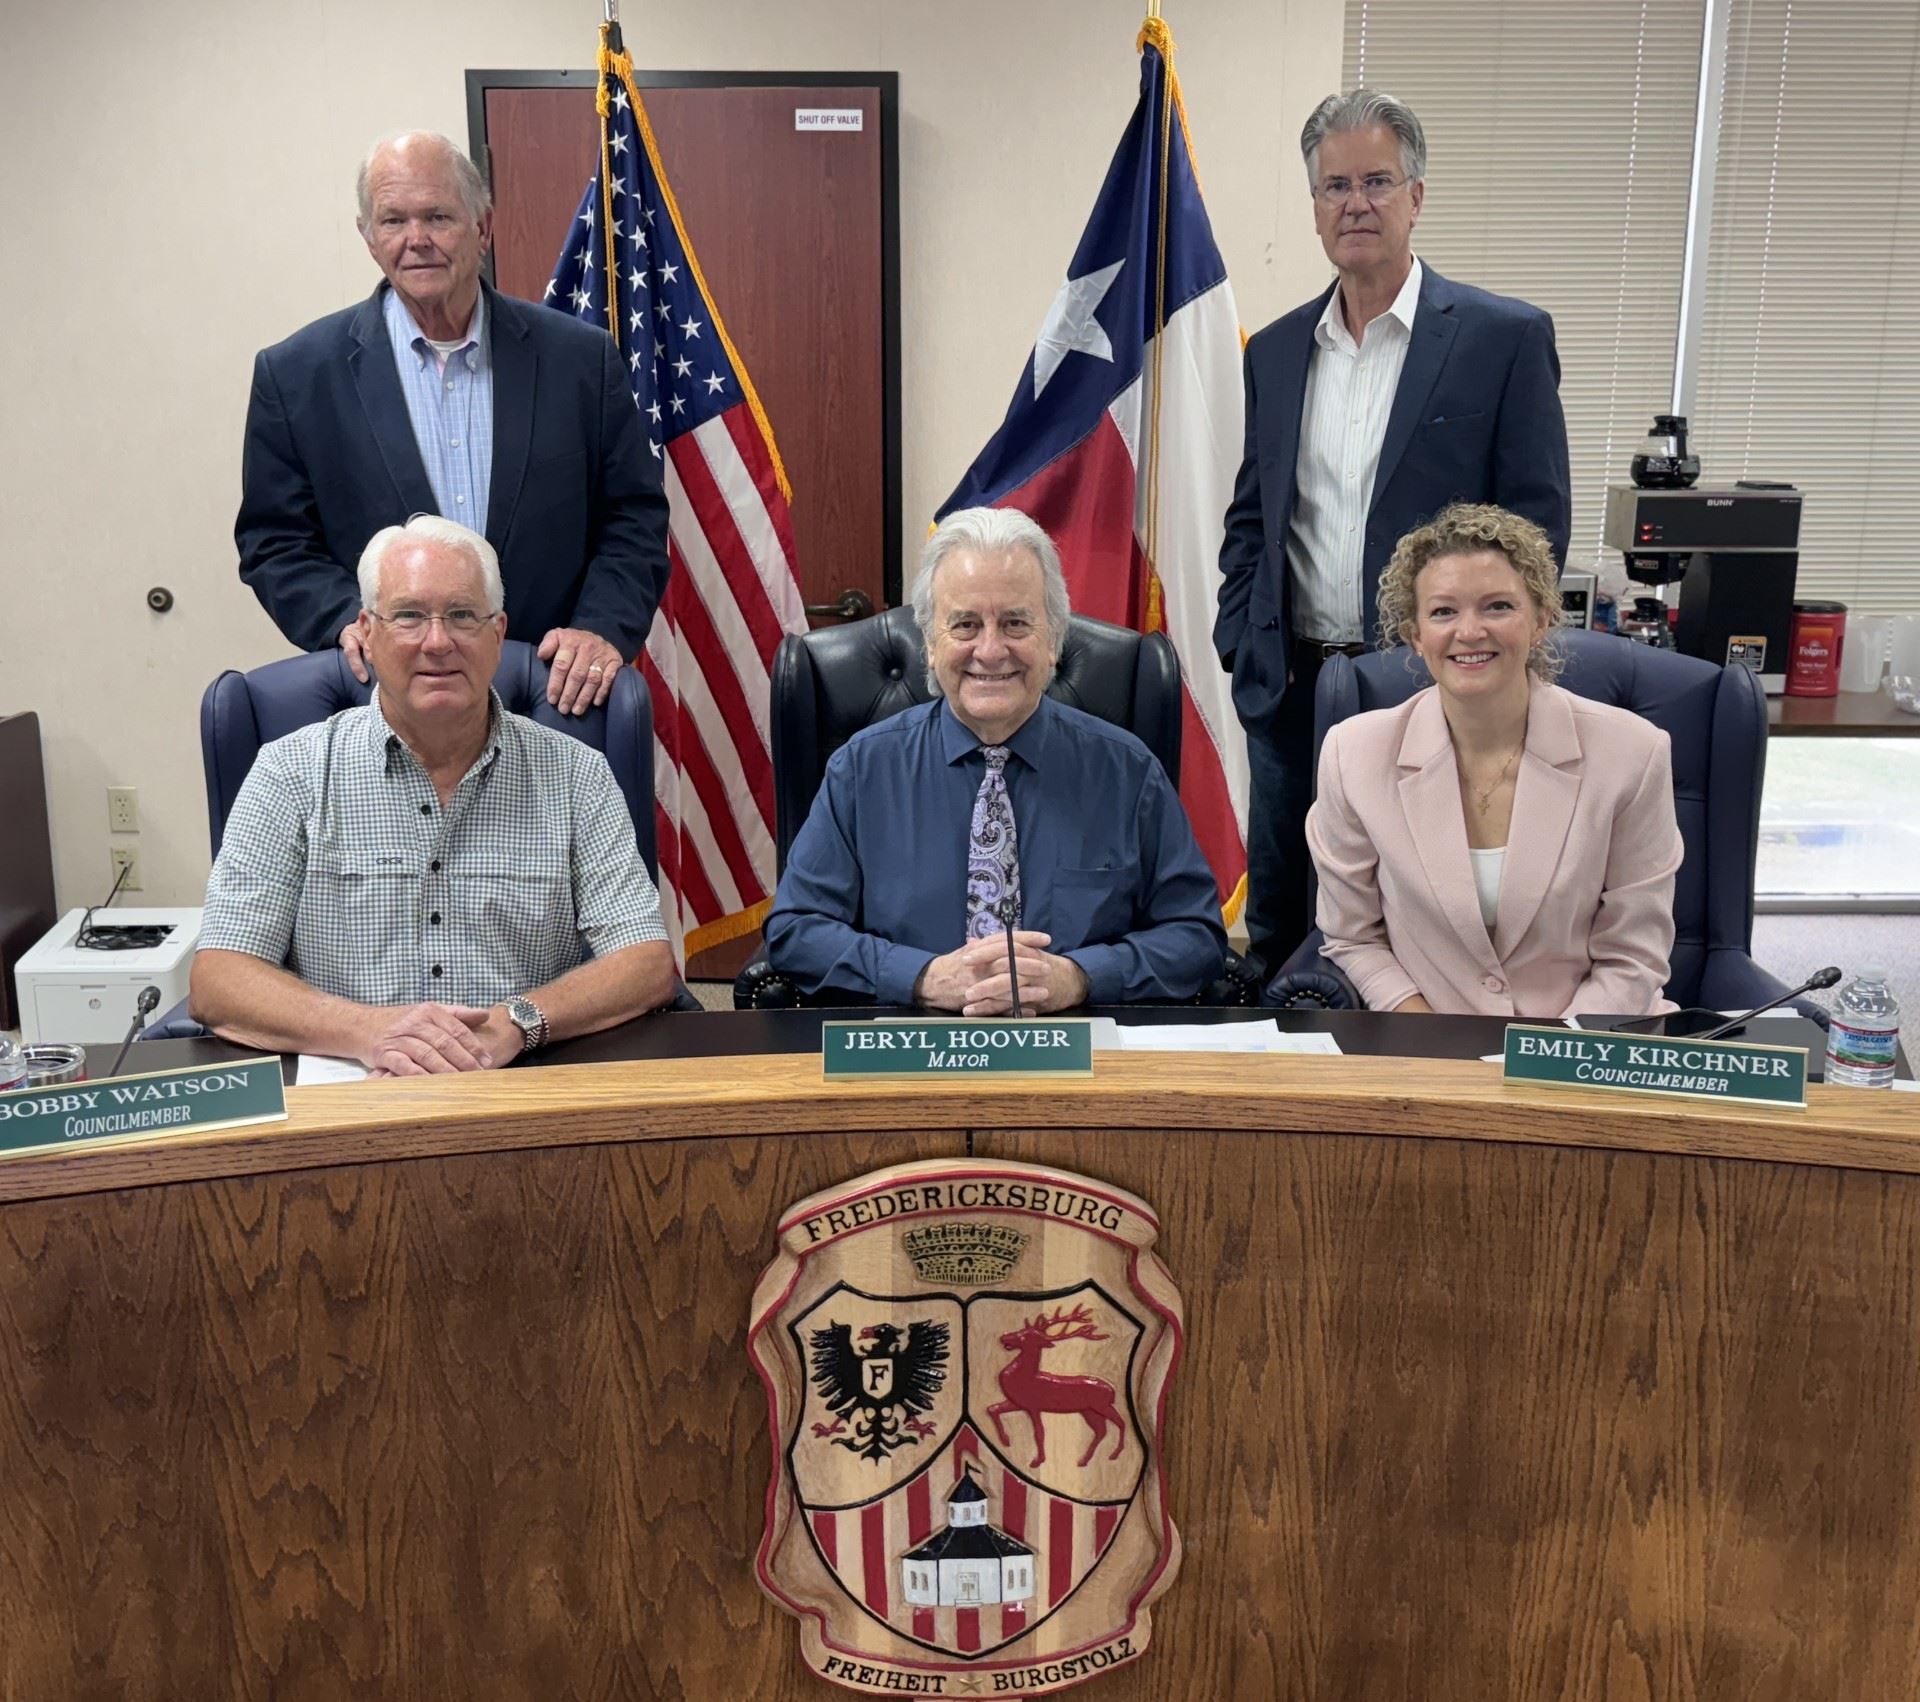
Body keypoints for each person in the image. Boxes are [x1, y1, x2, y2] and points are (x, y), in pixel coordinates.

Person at [1215, 88, 1572, 973]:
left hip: (1429, 680)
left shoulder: (1502, 339)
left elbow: (1536, 529)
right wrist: (1240, 638)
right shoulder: (1276, 351)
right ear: (1314, 208)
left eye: (1377, 181)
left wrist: (1480, 649)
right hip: (1290, 684)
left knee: (1417, 918)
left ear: (1416, 195)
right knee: (1283, 921)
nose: (1356, 204)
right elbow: (1255, 514)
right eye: (1335, 187)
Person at [190, 516, 677, 1073]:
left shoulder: (576, 775)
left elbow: (646, 962)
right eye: (409, 616)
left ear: (498, 634)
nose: (438, 642)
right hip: (353, 1085)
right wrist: (370, 1031)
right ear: (367, 633)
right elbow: (219, 980)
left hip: (519, 1078)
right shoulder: (290, 772)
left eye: (463, 615)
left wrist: (516, 1022)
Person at [236, 131, 671, 717]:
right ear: (368, 238)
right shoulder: (296, 375)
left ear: (482, 227)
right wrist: (346, 620)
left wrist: (600, 627)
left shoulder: (580, 361)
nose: (416, 240)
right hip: (385, 701)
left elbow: (634, 518)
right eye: (393, 221)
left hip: (552, 696)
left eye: (438, 217)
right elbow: (274, 542)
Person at [764, 507, 1226, 1011]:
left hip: (1077, 1038)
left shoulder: (1128, 772)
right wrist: (921, 976)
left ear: (1053, 641)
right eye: (965, 625)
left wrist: (1080, 977)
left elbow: (1196, 935)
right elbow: (796, 930)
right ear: (930, 644)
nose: (990, 650)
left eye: (1015, 623)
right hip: (912, 1037)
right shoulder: (861, 770)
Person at [1305, 504, 1681, 1018]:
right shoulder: (1354, 754)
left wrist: (1546, 1052)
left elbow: (1633, 957)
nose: (1469, 631)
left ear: (1541, 620)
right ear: (1416, 635)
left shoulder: (1633, 753)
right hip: (1427, 1039)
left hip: (1584, 1040)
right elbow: (1353, 937)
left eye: (1498, 607)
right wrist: (1430, 1040)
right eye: (1443, 612)